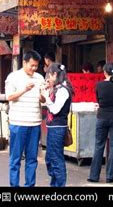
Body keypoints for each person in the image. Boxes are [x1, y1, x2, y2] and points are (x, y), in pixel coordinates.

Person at [5, 50, 44, 187]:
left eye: (36, 66)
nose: (34, 68)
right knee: (15, 159)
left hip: (35, 123)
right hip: (18, 123)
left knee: (32, 159)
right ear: (24, 62)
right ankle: (14, 185)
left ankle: (30, 185)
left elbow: (42, 100)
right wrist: (24, 90)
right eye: (31, 65)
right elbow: (9, 97)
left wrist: (43, 95)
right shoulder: (13, 77)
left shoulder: (40, 78)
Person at [88, 62, 113, 183]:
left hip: (102, 117)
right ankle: (110, 176)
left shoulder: (99, 85)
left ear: (105, 72)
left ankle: (94, 176)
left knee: (99, 145)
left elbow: (99, 100)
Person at [41, 63, 74, 187]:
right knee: (50, 159)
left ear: (55, 74)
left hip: (58, 128)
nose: (48, 78)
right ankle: (55, 184)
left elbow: (55, 109)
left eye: (49, 75)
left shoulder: (63, 91)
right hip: (53, 128)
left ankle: (59, 185)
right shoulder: (57, 89)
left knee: (56, 159)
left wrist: (46, 97)